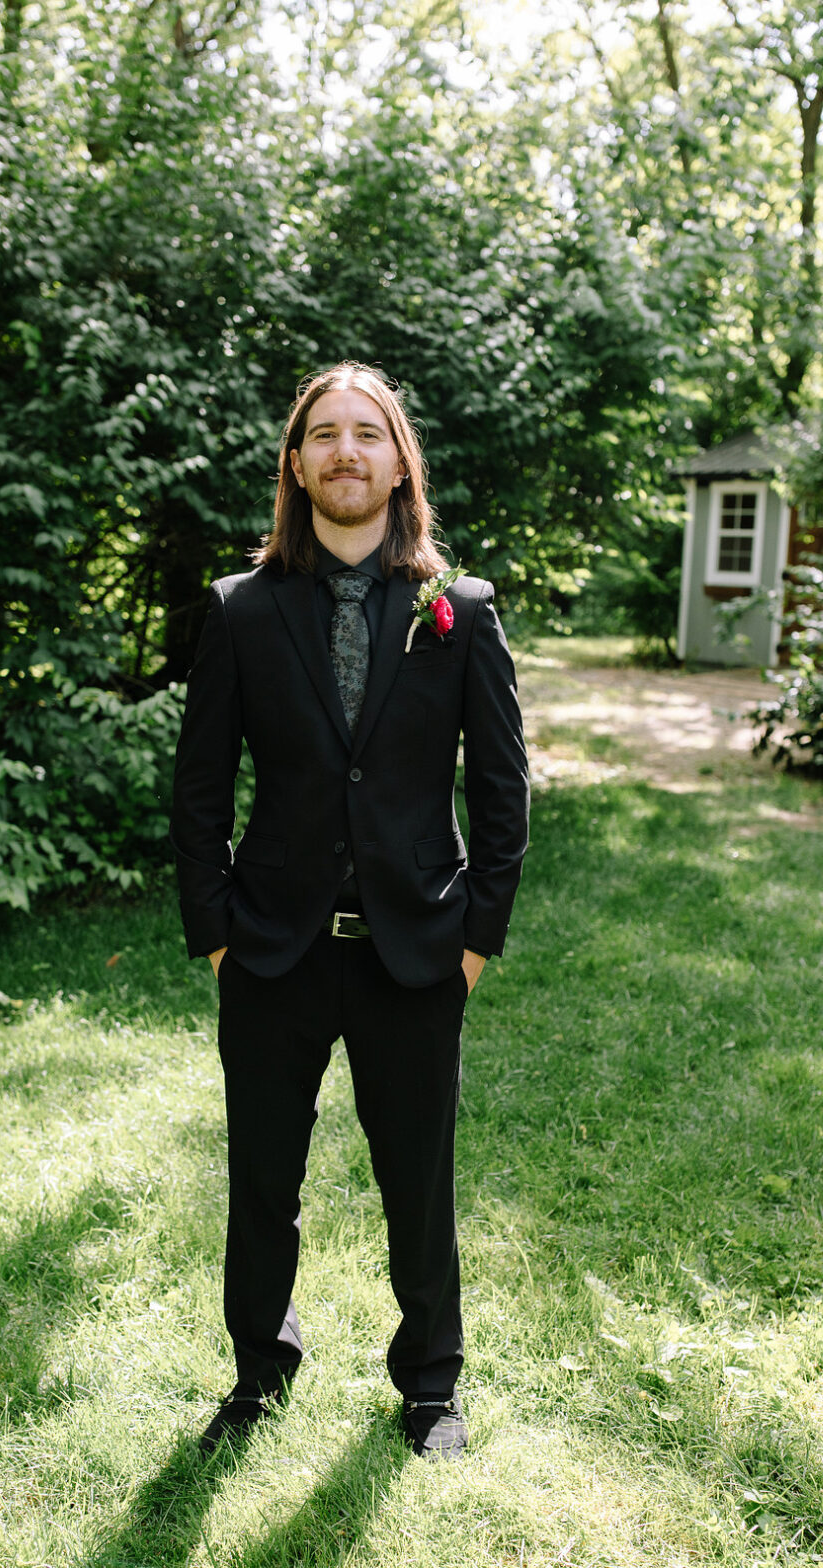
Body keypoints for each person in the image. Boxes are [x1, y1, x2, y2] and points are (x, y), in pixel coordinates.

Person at [170, 361, 529, 1460]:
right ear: (295, 463)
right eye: (322, 434)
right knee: (260, 1179)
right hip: (270, 949)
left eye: (366, 434)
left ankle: (429, 1384)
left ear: (398, 463)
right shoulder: (239, 610)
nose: (344, 452)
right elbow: (197, 791)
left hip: (414, 949)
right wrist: (218, 936)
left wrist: (474, 941)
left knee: (417, 1181)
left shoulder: (459, 611)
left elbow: (502, 791)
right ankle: (257, 1372)